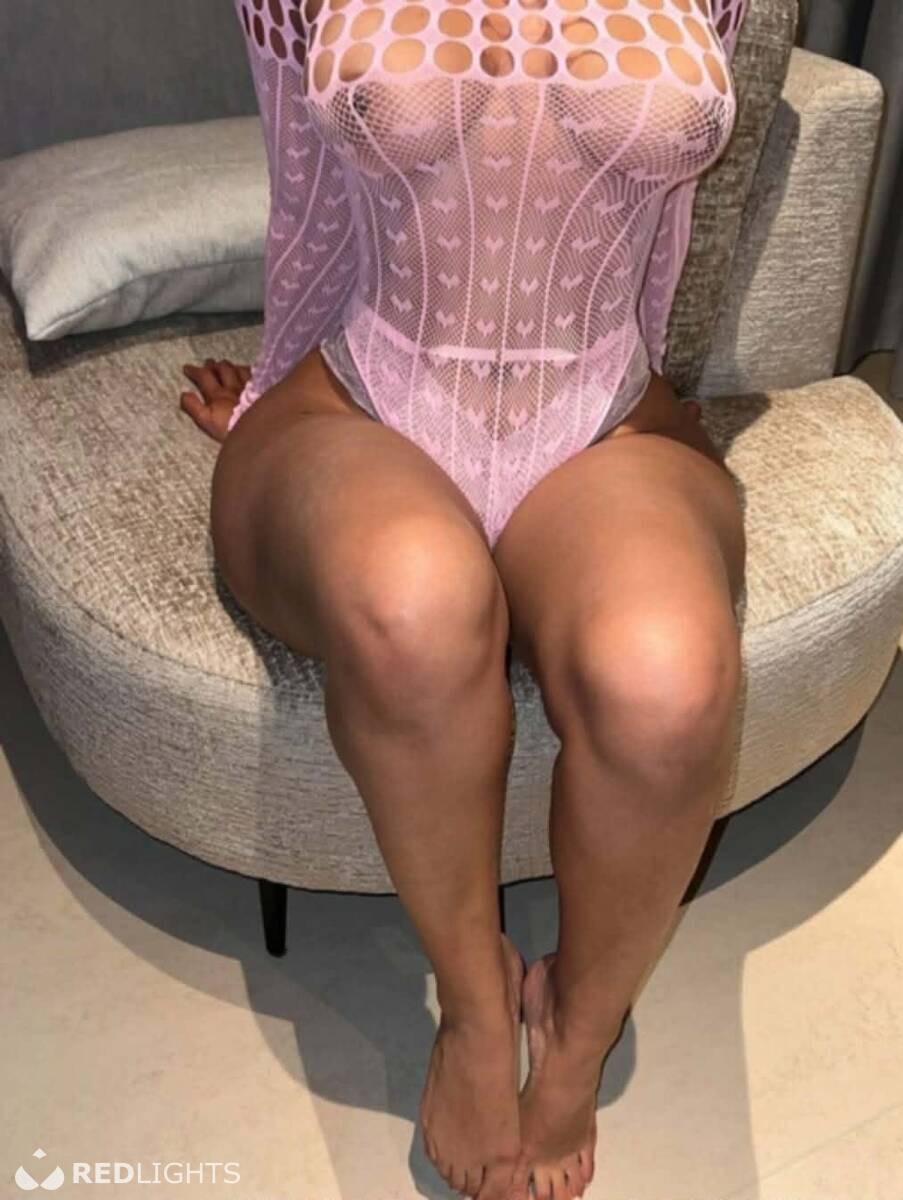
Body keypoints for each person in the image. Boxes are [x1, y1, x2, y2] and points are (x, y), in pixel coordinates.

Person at [180, 1, 749, 1197]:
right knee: (413, 602)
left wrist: (663, 408)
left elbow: (667, 232)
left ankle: (577, 1036)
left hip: (601, 414)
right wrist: (269, 393)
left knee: (670, 679)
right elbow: (306, 203)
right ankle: (478, 1008)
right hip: (366, 397)